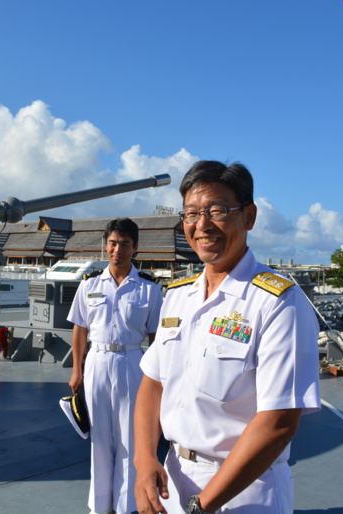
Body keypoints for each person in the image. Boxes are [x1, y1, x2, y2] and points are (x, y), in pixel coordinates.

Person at [133, 161, 321, 514]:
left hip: (245, 491)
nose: (202, 225)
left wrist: (202, 506)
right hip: (173, 478)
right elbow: (153, 383)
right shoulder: (177, 296)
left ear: (249, 216)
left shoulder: (279, 303)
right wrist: (144, 461)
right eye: (191, 214)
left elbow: (278, 422)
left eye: (217, 211)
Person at [68, 217, 164, 514]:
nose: (117, 250)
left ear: (135, 247)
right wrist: (77, 370)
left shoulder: (149, 289)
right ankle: (100, 505)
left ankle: (125, 506)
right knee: (98, 436)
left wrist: (159, 379)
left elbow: (156, 338)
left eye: (124, 244)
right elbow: (80, 330)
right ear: (105, 245)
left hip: (133, 361)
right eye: (112, 243)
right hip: (96, 362)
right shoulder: (89, 285)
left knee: (129, 436)